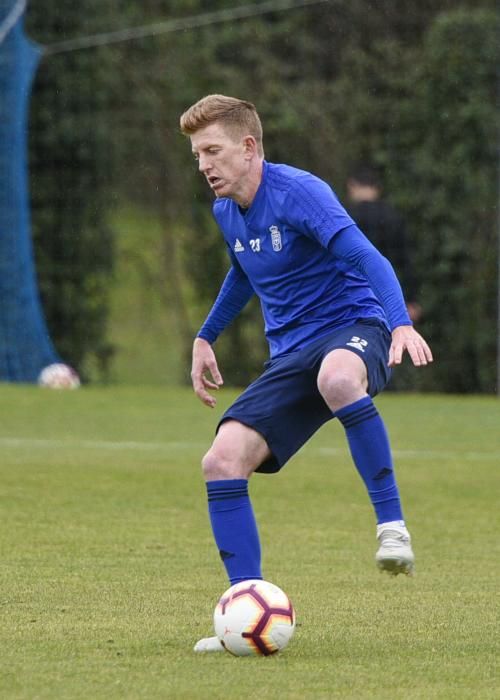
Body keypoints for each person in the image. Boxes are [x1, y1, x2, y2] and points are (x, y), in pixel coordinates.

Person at [179, 95, 433, 653]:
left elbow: (370, 258)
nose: (204, 165)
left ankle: (392, 527)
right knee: (221, 459)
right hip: (290, 353)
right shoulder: (226, 210)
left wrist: (398, 325)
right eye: (197, 155)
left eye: (212, 151)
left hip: (353, 324)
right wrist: (205, 336)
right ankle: (242, 614)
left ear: (249, 148)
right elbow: (243, 273)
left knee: (339, 379)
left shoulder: (300, 192)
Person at [346, 164, 422, 324]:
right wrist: (411, 299)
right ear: (377, 187)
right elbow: (405, 261)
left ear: (352, 185)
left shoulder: (346, 218)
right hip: (390, 294)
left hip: (353, 296)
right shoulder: (393, 217)